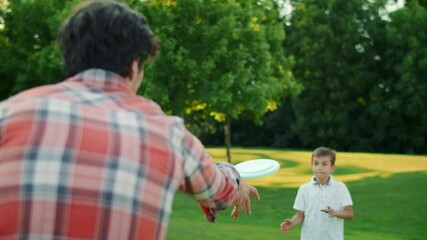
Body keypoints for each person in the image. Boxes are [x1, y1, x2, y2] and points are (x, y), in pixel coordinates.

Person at [0, 1, 259, 239]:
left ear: (71, 59)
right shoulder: (168, 133)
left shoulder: (8, 113)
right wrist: (235, 177)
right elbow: (220, 191)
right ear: (135, 65)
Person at [280, 147, 354, 240]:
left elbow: (349, 214)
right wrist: (292, 222)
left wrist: (335, 213)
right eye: (316, 163)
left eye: (324, 164)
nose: (319, 167)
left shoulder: (340, 188)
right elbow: (300, 215)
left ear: (332, 168)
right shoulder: (304, 189)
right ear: (312, 166)